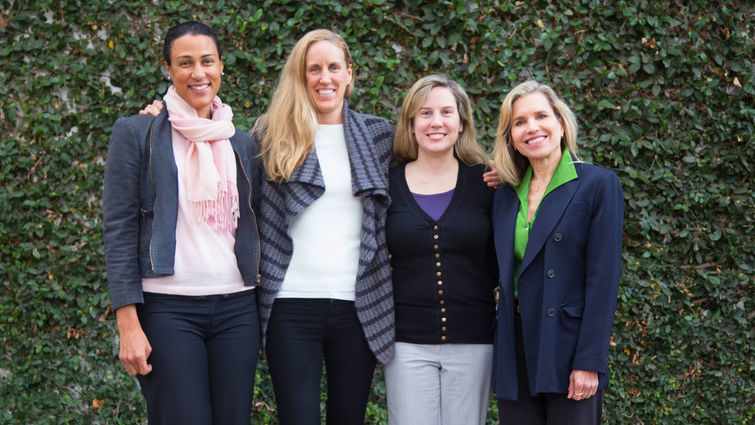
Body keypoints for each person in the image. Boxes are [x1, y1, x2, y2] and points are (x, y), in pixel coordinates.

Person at [103, 21, 261, 425]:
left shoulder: (240, 141)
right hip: (167, 311)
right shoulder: (139, 133)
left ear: (222, 66)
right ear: (167, 71)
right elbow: (118, 228)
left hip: (238, 309)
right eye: (185, 62)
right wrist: (127, 321)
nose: (198, 73)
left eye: (207, 61)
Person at [251, 29, 395, 425]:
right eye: (313, 69)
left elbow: (429, 169)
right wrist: (159, 118)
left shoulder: (377, 135)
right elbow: (238, 197)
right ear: (301, 76)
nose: (324, 78)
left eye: (334, 67)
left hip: (359, 305)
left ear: (350, 74)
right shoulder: (271, 135)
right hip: (290, 305)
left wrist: (486, 174)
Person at [490, 80, 624, 425]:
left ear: (561, 124)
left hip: (567, 347)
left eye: (541, 116)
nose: (531, 127)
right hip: (514, 346)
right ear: (511, 138)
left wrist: (589, 360)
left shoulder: (597, 184)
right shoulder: (504, 195)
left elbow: (603, 279)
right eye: (519, 122)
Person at [384, 74, 498, 425]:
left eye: (447, 112)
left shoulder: (488, 183)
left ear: (462, 123)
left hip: (474, 339)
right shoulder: (386, 184)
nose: (436, 122)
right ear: (411, 124)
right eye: (425, 113)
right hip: (405, 343)